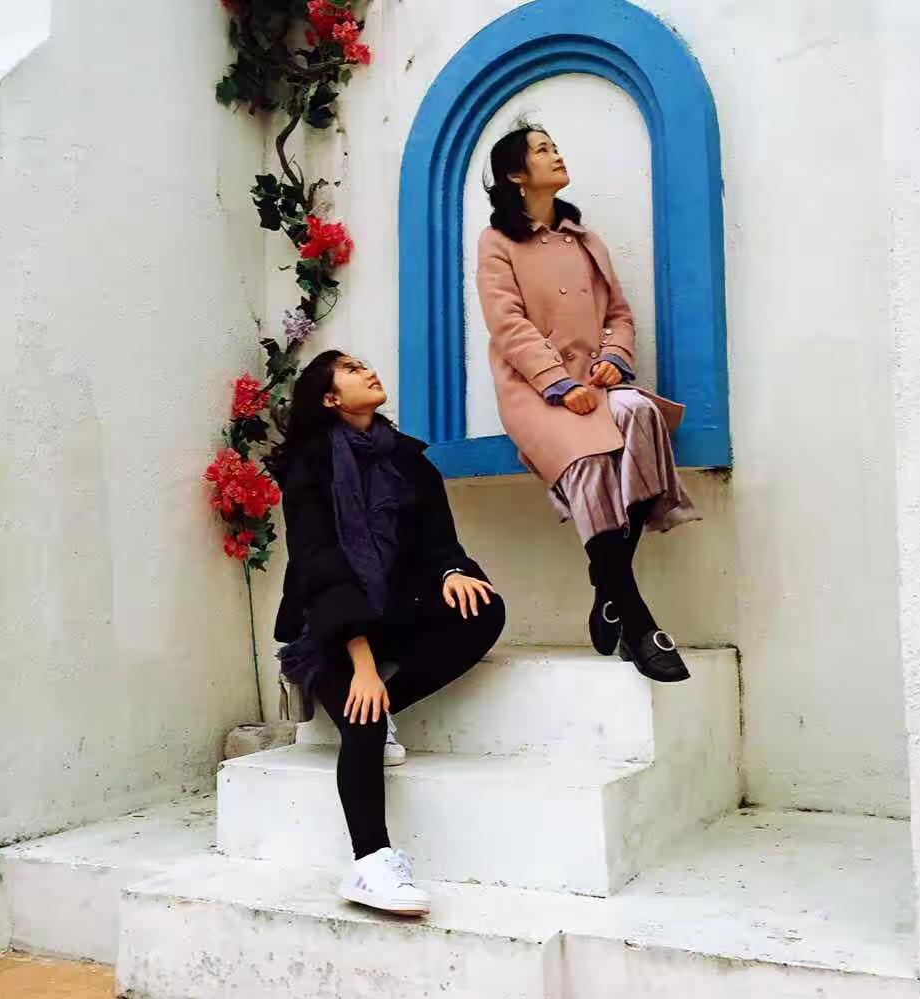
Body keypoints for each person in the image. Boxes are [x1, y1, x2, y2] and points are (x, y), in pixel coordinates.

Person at [272, 350, 505, 917]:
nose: (369, 372)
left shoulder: (408, 459)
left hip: (395, 611)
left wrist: (451, 573)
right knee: (365, 718)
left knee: (483, 608)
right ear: (331, 398)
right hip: (329, 626)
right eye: (352, 370)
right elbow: (320, 565)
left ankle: (384, 699)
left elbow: (438, 540)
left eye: (364, 365)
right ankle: (370, 863)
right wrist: (362, 665)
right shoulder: (309, 467)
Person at [476, 124, 699, 683]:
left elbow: (618, 314)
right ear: (516, 174)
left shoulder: (585, 240)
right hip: (533, 391)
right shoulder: (497, 242)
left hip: (594, 384)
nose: (556, 155)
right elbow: (507, 324)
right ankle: (639, 620)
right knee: (590, 457)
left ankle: (607, 590)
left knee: (641, 414)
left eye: (556, 146)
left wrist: (614, 360)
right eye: (543, 150)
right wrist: (557, 382)